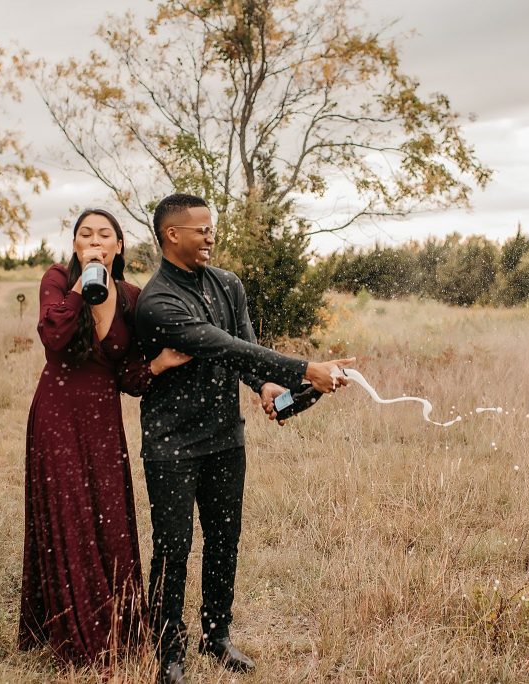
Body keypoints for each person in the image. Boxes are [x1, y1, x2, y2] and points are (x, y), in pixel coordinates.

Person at [134, 193, 352, 684]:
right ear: (172, 235)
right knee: (173, 547)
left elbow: (244, 351)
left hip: (225, 439)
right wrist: (306, 368)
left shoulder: (228, 285)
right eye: (201, 229)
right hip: (171, 444)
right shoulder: (158, 301)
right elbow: (220, 344)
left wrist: (266, 385)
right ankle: (168, 652)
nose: (211, 235)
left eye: (213, 228)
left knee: (224, 539)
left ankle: (217, 636)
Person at [18, 208, 190, 667]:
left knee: (110, 518)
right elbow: (53, 336)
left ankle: (121, 626)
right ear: (74, 243)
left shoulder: (133, 297)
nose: (94, 240)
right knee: (69, 515)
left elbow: (129, 377)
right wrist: (83, 283)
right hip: (57, 413)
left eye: (104, 235)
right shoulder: (57, 279)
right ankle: (77, 634)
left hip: (102, 418)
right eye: (84, 234)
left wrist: (161, 364)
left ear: (119, 245)